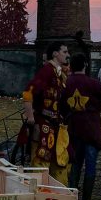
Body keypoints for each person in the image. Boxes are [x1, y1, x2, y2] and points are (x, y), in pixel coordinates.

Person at [61, 54, 101, 200]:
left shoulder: (65, 83)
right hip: (91, 130)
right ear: (85, 65)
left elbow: (61, 107)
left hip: (74, 130)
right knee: (90, 166)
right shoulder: (94, 84)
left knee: (75, 165)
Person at [22, 42, 71, 184]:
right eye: (65, 51)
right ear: (55, 53)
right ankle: (39, 195)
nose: (67, 55)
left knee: (58, 161)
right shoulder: (47, 71)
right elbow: (28, 93)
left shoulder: (59, 73)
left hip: (56, 124)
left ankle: (59, 195)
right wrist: (31, 118)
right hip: (44, 124)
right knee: (41, 160)